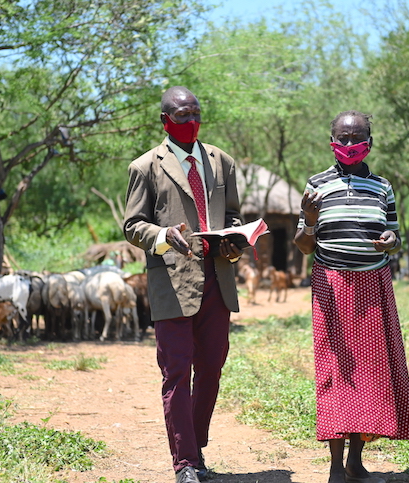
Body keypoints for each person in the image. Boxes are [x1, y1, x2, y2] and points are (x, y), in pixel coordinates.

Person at [123, 86, 244, 483]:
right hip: (171, 281)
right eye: (181, 116)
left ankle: (196, 446)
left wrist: (235, 240)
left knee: (211, 368)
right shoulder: (145, 167)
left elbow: (234, 214)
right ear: (165, 121)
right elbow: (132, 225)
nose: (190, 122)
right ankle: (185, 463)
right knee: (176, 371)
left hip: (217, 278)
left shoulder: (221, 161)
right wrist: (161, 236)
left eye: (196, 114)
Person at [294, 110, 409, 483]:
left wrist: (391, 242)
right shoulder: (316, 186)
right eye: (342, 138)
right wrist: (310, 219)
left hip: (373, 287)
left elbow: (394, 238)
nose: (349, 145)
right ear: (331, 140)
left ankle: (356, 463)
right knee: (335, 372)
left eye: (357, 137)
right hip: (330, 287)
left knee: (371, 373)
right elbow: (303, 246)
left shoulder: (383, 187)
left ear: (370, 142)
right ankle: (335, 467)